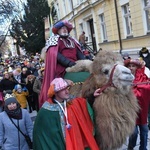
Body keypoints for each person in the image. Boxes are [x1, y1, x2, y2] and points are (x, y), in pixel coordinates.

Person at [33, 78, 99, 150]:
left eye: (67, 88)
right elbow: (43, 136)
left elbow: (83, 104)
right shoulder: (46, 111)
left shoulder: (72, 102)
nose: (67, 91)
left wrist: (92, 96)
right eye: (63, 89)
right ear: (55, 92)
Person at [39, 20, 85, 107]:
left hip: (76, 65)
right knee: (59, 83)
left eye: (65, 28)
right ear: (58, 30)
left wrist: (84, 62)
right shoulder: (54, 39)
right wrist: (68, 63)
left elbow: (79, 53)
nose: (64, 30)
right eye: (62, 28)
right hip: (62, 67)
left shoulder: (73, 40)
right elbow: (54, 54)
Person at [124, 59, 150, 150]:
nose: (131, 68)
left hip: (143, 109)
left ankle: (143, 148)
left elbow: (147, 88)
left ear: (137, 67)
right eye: (129, 66)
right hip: (131, 110)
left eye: (133, 66)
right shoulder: (124, 78)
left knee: (144, 130)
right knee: (134, 132)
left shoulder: (143, 77)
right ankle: (131, 147)